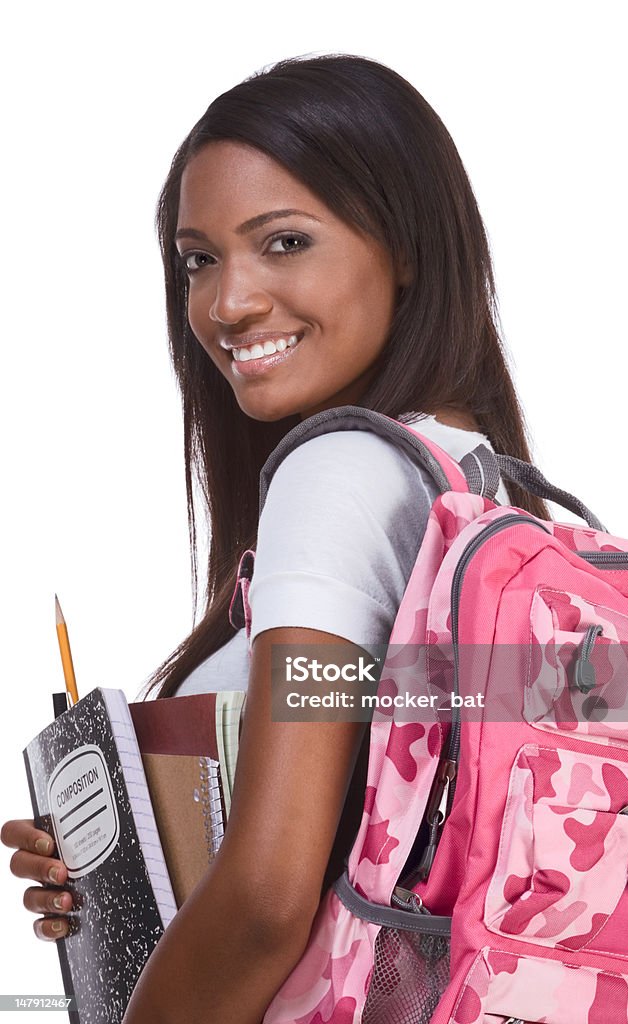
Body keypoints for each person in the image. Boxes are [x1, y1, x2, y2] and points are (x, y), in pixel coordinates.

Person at [1, 53, 547, 1023]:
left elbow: (264, 901)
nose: (227, 303)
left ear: (407, 245)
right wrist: (143, 867)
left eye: (284, 241)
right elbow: (367, 836)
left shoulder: (337, 473)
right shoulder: (482, 487)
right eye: (199, 258)